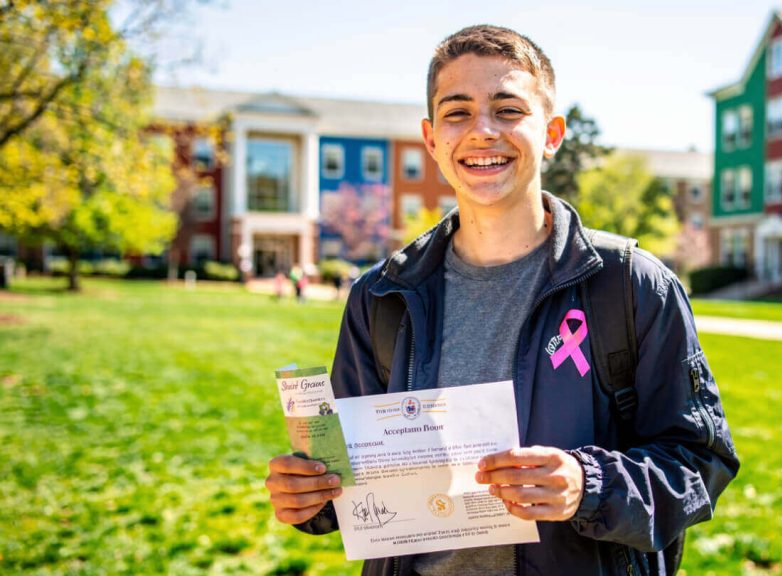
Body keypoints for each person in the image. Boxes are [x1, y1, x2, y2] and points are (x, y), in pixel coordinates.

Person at [264, 25, 739, 575]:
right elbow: (353, 478)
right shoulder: (381, 297)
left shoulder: (631, 285)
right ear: (431, 140)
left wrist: (589, 484)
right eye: (458, 112)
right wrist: (312, 496)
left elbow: (699, 461)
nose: (483, 131)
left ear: (552, 134)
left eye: (508, 110)